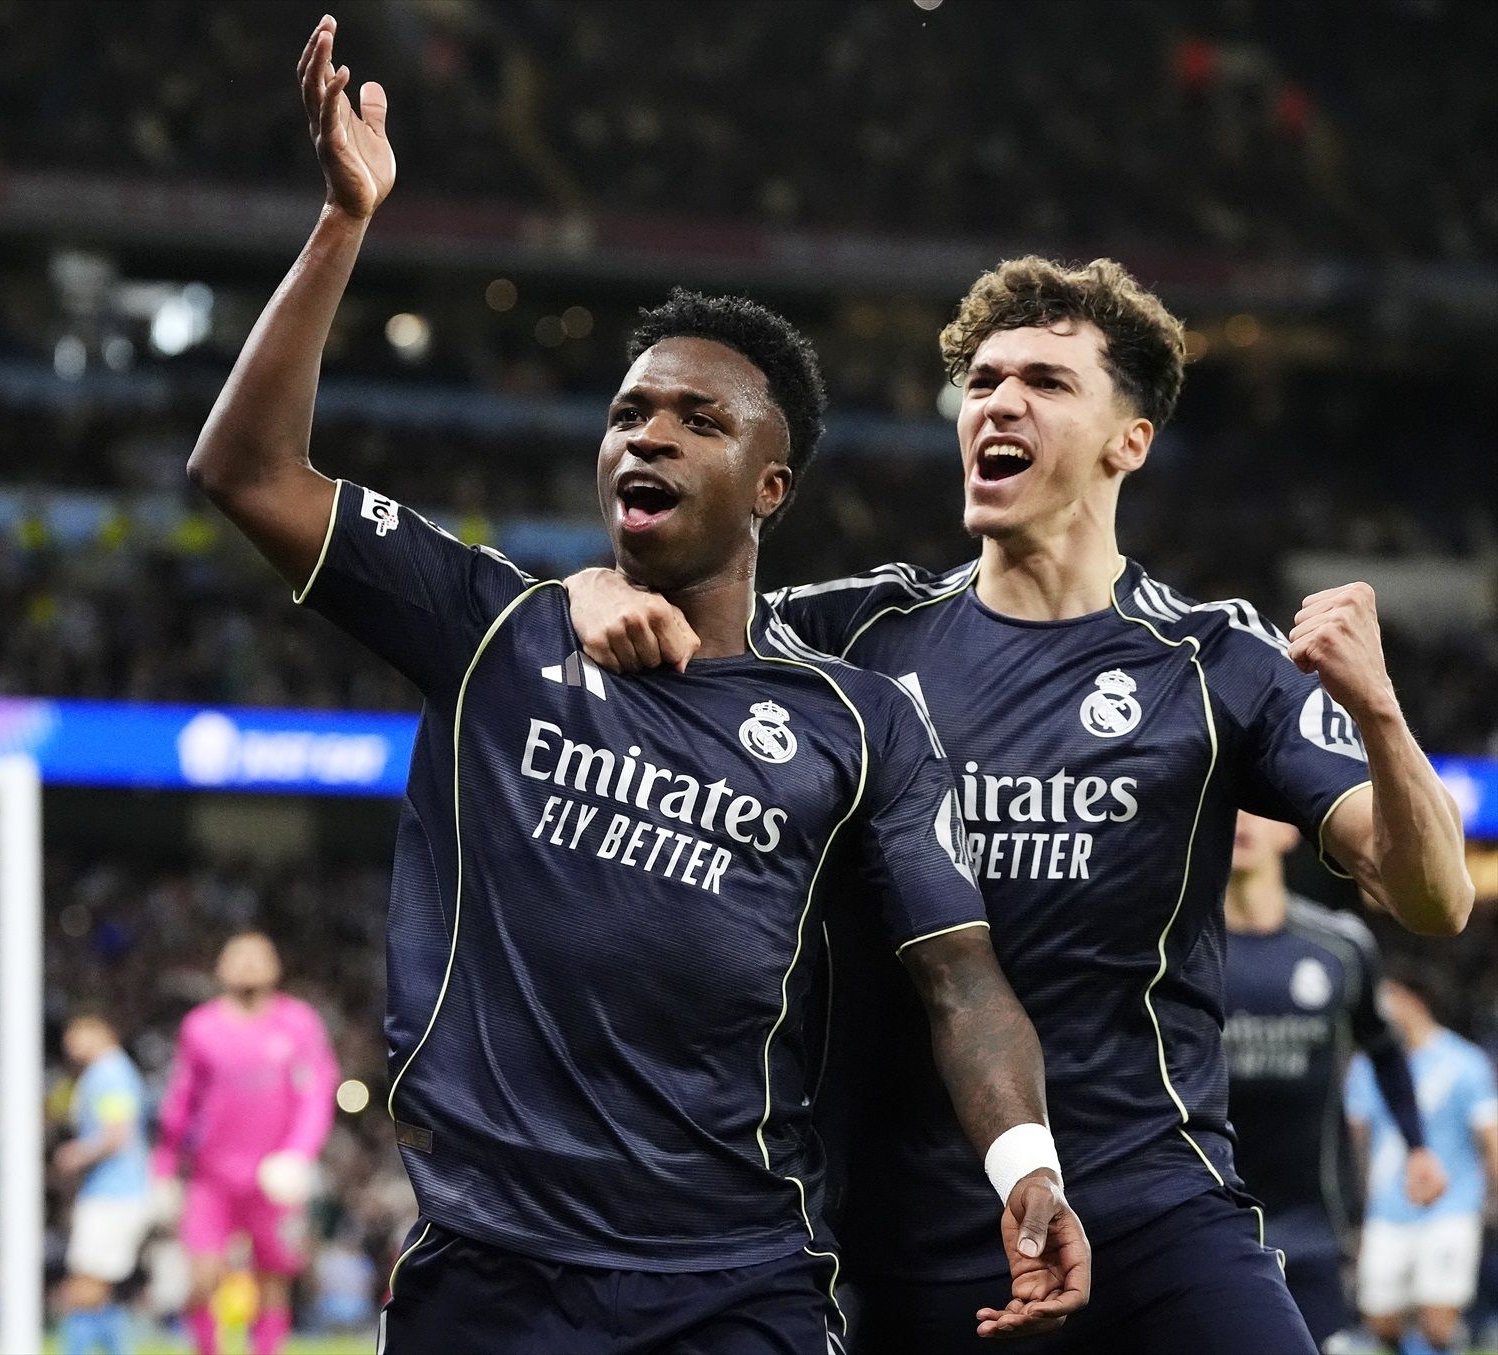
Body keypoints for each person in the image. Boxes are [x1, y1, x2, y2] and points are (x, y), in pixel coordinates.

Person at [180, 16, 1089, 1353]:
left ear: (772, 487)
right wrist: (342, 221)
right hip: (489, 1272)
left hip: (737, 1279)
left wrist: (1027, 1165)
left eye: (700, 421)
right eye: (627, 413)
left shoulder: (860, 722)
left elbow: (959, 980)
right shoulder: (491, 630)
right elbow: (246, 472)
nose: (648, 433)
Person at [567, 255, 1474, 1353]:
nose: (998, 401)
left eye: (1045, 381)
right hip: (911, 1227)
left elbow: (1431, 897)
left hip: (1154, 1205)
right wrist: (597, 584)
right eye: (985, 380)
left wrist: (1380, 710)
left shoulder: (1215, 658)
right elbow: (670, 583)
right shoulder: (858, 633)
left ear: (1126, 440)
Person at [1222, 811, 1446, 1349]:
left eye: (1254, 806)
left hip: (1313, 1219)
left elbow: (1386, 1051)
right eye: (1226, 805)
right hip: (1206, 1215)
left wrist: (1418, 1146)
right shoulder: (1179, 950)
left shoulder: (1340, 947)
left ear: (1288, 829)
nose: (1239, 821)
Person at [154, 933, 338, 1355]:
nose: (249, 965)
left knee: (272, 1280)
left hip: (274, 1178)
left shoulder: (299, 1022)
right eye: (238, 957)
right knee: (201, 1278)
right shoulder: (200, 1027)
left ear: (276, 967)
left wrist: (297, 1154)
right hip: (211, 1176)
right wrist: (164, 1165)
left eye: (259, 957)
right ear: (219, 968)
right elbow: (181, 1101)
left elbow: (315, 1095)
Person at [1348, 968, 1498, 1355]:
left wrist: (1494, 1193)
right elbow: (1358, 1139)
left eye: (1388, 998)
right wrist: (1358, 1205)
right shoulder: (1368, 1068)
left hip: (1451, 1205)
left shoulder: (1465, 1063)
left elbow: (1489, 1136)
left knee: (1437, 1319)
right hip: (1387, 1207)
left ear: (1413, 1002)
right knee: (1381, 1319)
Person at [54, 1014, 153, 1355]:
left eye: (76, 1033)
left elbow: (117, 1133)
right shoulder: (104, 1073)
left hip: (115, 1194)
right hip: (114, 1191)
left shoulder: (111, 1074)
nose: (70, 1044)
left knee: (86, 1282)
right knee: (99, 1284)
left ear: (101, 1030)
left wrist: (75, 1155)